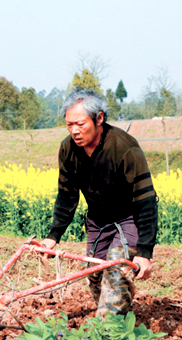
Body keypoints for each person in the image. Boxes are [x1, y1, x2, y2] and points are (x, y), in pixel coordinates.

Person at [41, 90, 158, 316]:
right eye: (69, 125)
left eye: (81, 124)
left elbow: (146, 200)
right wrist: (53, 236)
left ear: (99, 119)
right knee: (94, 275)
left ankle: (111, 331)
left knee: (116, 268)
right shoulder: (68, 149)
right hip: (97, 219)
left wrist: (145, 251)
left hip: (128, 218)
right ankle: (113, 314)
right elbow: (67, 195)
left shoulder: (125, 147)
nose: (74, 131)